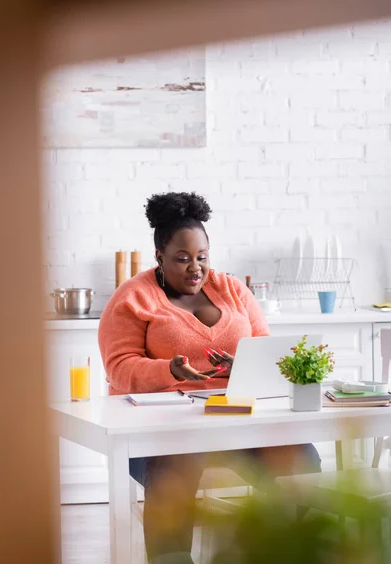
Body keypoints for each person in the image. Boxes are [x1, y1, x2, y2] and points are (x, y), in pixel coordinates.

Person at [99, 192, 321, 564]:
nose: (195, 268)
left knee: (302, 460)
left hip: (238, 425)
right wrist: (168, 369)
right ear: (159, 257)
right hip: (159, 435)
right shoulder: (133, 298)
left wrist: (244, 366)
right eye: (182, 259)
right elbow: (119, 367)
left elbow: (267, 352)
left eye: (202, 258)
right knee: (173, 469)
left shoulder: (233, 290)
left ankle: (285, 551)